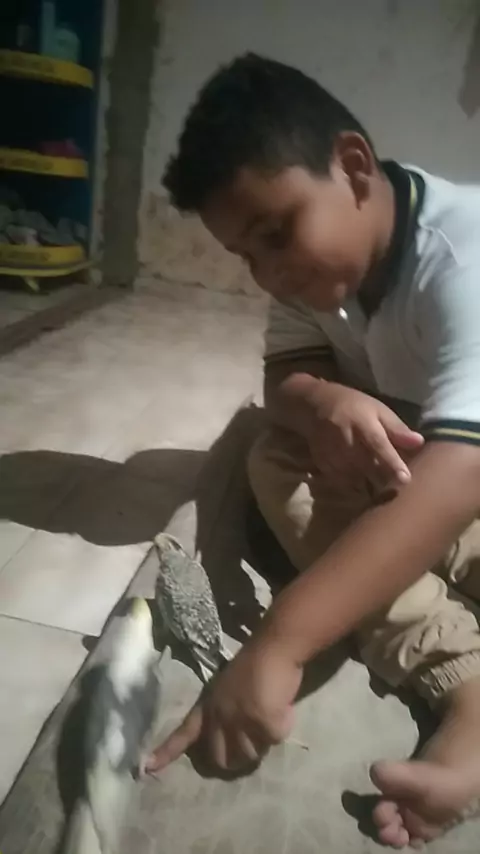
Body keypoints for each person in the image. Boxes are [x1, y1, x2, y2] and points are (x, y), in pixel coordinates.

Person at [147, 53, 480, 847]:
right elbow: (284, 380)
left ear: (354, 167)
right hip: (424, 455)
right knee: (274, 455)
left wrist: (280, 642)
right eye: (247, 257)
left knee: (432, 504)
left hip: (463, 465)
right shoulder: (314, 277)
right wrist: (324, 401)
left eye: (277, 235)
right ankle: (467, 686)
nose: (269, 273)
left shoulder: (462, 255)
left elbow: (461, 471)